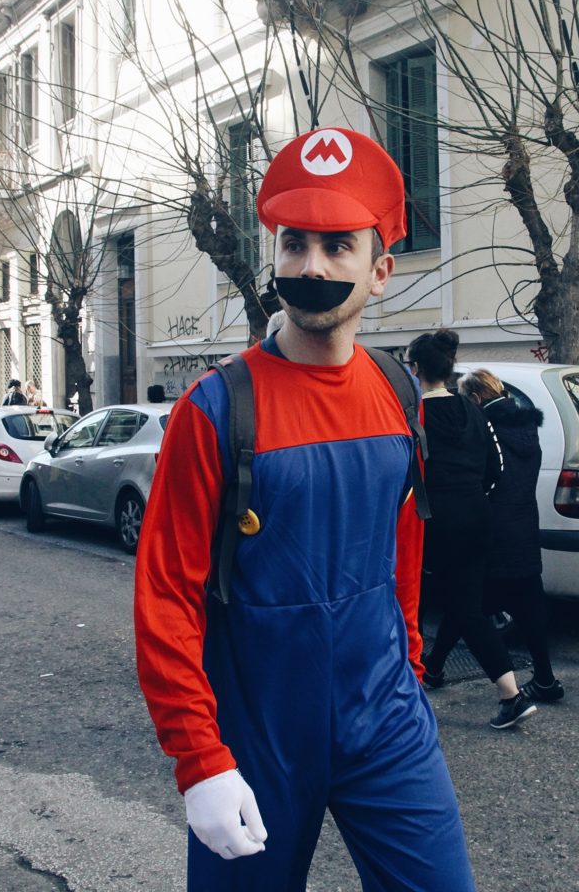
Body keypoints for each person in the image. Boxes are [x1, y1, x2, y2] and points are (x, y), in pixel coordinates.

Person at [135, 128, 476, 891]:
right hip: (257, 737)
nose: (311, 266)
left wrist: (409, 671)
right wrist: (200, 761)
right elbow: (165, 596)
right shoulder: (215, 408)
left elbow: (401, 556)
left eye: (336, 245)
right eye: (294, 244)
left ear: (379, 272)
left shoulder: (398, 394)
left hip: (386, 722)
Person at [408, 330, 536, 730]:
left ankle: (509, 695)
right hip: (478, 513)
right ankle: (438, 674)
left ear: (415, 368)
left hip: (433, 520)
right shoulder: (472, 409)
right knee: (465, 602)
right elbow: (495, 467)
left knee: (424, 603)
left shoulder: (413, 416)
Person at [458, 368, 565, 702]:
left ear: (476, 398)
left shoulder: (484, 427)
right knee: (528, 603)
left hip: (493, 526)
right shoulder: (527, 426)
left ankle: (510, 692)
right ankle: (545, 679)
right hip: (524, 524)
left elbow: (481, 476)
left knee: (468, 605)